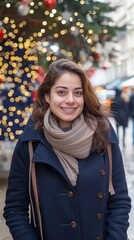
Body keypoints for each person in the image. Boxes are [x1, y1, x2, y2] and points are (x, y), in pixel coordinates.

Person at [4, 58, 131, 240]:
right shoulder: (30, 141)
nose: (70, 100)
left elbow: (120, 201)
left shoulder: (103, 135)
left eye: (77, 93)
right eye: (61, 92)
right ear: (47, 96)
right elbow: (15, 209)